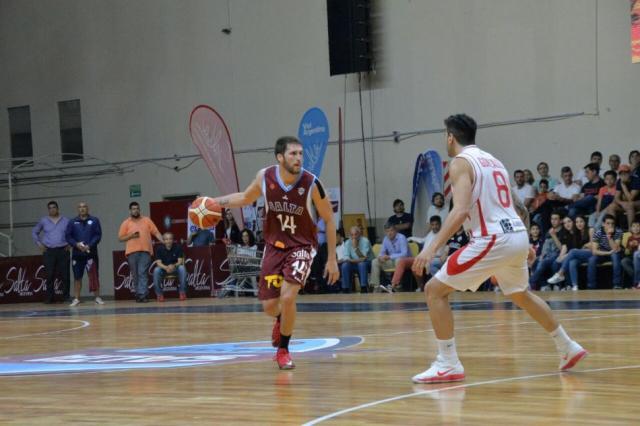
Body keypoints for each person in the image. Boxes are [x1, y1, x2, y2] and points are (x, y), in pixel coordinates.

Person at [410, 114, 586, 384]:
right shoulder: (494, 161)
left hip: (491, 239)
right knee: (520, 294)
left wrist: (431, 248)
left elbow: (460, 210)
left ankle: (448, 363)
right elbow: (518, 206)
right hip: (514, 234)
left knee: (434, 290)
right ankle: (567, 345)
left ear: (450, 137)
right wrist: (523, 241)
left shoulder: (460, 163)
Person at [211, 136, 339, 370]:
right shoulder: (265, 177)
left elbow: (329, 219)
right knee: (270, 305)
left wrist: (332, 258)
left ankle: (283, 350)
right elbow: (245, 197)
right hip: (274, 247)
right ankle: (281, 320)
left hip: (301, 246)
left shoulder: (311, 183)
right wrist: (214, 202)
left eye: (300, 154)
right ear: (280, 157)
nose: (298, 158)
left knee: (288, 297)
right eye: (293, 154)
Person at [118, 202, 163, 303]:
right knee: (135, 275)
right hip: (131, 252)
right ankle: (138, 294)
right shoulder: (126, 223)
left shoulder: (146, 220)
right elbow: (120, 238)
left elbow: (156, 232)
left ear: (139, 209)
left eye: (137, 208)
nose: (136, 210)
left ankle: (143, 295)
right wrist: (131, 236)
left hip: (145, 251)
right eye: (133, 209)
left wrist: (163, 240)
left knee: (142, 272)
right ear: (130, 211)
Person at [32, 201, 71, 303]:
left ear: (58, 209)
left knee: (65, 275)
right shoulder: (43, 221)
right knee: (49, 275)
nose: (52, 209)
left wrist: (70, 244)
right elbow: (34, 232)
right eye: (50, 208)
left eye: (54, 207)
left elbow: (73, 233)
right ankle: (49, 298)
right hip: (49, 251)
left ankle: (66, 297)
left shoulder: (66, 220)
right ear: (48, 210)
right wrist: (39, 244)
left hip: (63, 250)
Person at [65, 202, 103, 306]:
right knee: (77, 277)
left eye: (84, 207)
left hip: (91, 254)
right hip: (77, 255)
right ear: (77, 209)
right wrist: (76, 244)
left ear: (87, 208)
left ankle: (97, 297)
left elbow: (98, 235)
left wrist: (89, 245)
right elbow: (68, 236)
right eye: (80, 207)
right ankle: (76, 298)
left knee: (94, 276)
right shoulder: (72, 222)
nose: (82, 209)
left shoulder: (94, 220)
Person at [546, 216, 592, 291]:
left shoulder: (585, 230)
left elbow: (592, 244)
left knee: (572, 252)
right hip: (578, 256)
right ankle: (574, 286)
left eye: (569, 221)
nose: (567, 224)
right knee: (570, 262)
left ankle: (560, 274)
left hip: (589, 253)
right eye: (565, 223)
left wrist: (566, 256)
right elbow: (564, 247)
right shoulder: (569, 233)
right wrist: (561, 256)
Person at [370, 222, 409, 293]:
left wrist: (390, 257)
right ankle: (376, 286)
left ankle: (397, 285)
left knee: (398, 260)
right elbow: (382, 252)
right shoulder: (386, 239)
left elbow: (404, 254)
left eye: (391, 230)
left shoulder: (401, 237)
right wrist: (380, 257)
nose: (389, 233)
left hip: (405, 261)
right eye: (387, 231)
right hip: (392, 261)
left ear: (395, 231)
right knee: (375, 261)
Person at [530, 211, 563, 291]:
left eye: (556, 219)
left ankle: (530, 283)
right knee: (536, 261)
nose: (553, 221)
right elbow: (545, 245)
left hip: (557, 254)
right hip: (546, 254)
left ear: (560, 221)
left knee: (543, 263)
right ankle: (544, 285)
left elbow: (561, 248)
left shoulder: (563, 231)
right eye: (552, 219)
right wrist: (542, 254)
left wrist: (554, 235)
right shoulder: (549, 231)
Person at [587, 215, 623, 289]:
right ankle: (591, 286)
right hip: (602, 254)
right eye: (608, 223)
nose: (610, 225)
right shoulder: (598, 233)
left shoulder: (618, 231)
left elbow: (615, 249)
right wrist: (608, 253)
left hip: (614, 253)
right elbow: (594, 251)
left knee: (615, 256)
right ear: (603, 224)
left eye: (612, 223)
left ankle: (617, 284)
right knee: (592, 259)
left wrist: (609, 236)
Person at [153, 232, 187, 302]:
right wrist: (166, 268)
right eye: (166, 239)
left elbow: (180, 261)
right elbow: (158, 263)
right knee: (156, 270)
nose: (168, 241)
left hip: (175, 268)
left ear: (172, 240)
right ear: (163, 241)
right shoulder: (159, 249)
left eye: (170, 239)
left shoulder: (178, 247)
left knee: (182, 268)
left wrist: (173, 266)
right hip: (164, 269)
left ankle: (182, 292)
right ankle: (159, 294)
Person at [340, 226, 373, 293]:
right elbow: (346, 257)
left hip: (367, 263)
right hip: (354, 263)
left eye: (356, 234)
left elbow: (362, 258)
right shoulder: (347, 242)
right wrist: (350, 260)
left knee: (361, 264)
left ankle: (363, 287)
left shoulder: (365, 241)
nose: (354, 237)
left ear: (359, 234)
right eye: (352, 235)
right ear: (349, 235)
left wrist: (355, 248)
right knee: (345, 265)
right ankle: (346, 288)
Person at [621, 221, 640, 289]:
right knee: (624, 261)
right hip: (631, 258)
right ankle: (637, 278)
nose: (636, 228)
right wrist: (630, 247)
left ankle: (636, 283)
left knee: (636, 254)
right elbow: (627, 252)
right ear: (631, 228)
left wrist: (637, 245)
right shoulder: (630, 238)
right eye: (634, 226)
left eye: (638, 226)